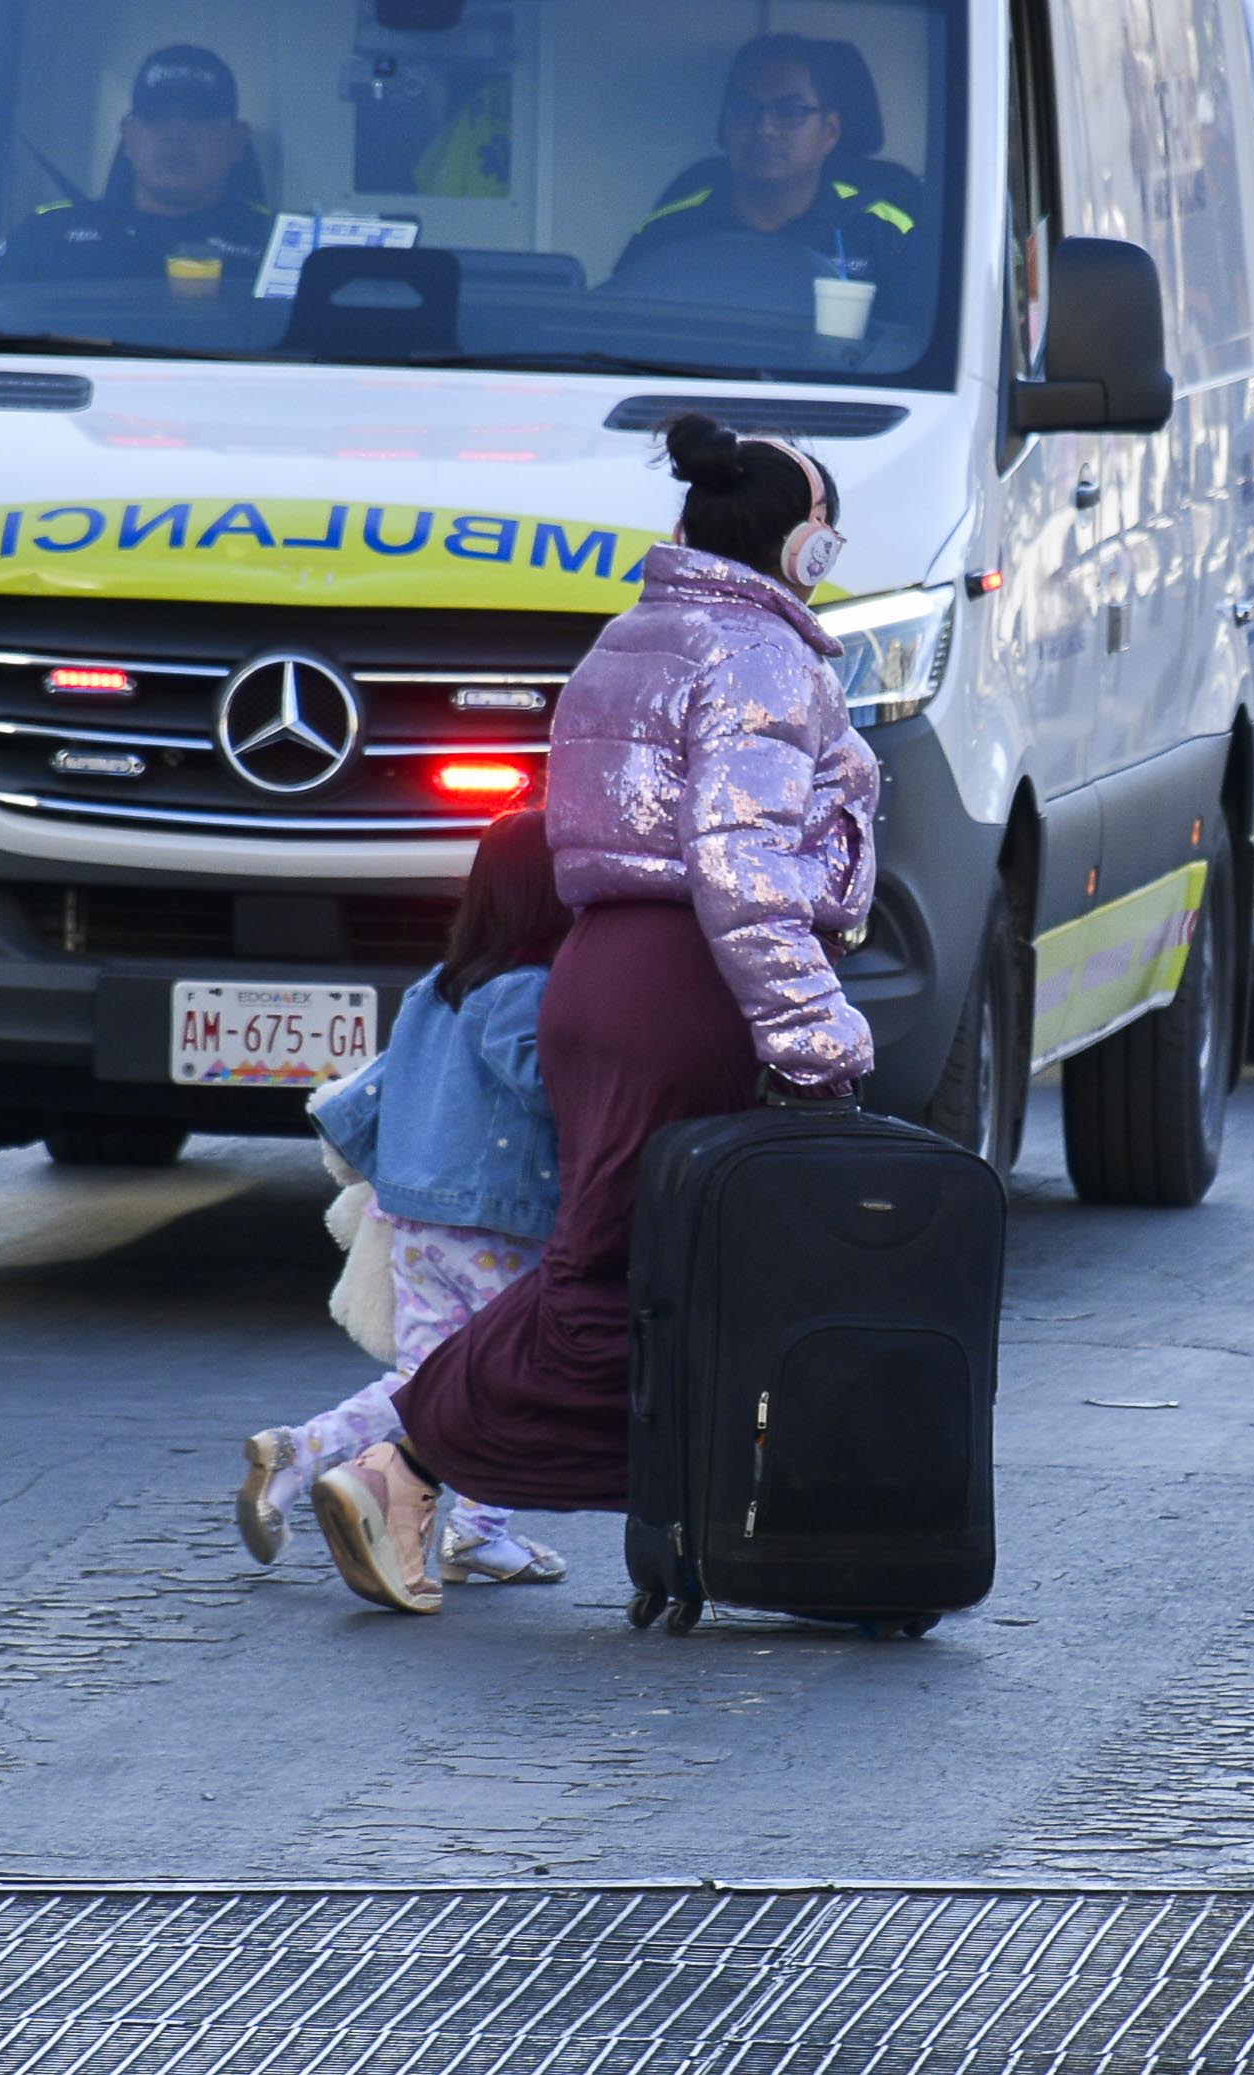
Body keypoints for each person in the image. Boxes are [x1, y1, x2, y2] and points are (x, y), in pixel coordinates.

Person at [312, 414, 878, 1616]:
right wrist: (816, 1033)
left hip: (601, 969)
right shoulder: (762, 658)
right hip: (689, 984)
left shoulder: (628, 637)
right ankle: (405, 1465)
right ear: (807, 544)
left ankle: (416, 1466)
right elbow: (743, 864)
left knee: (597, 1264)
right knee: (615, 1285)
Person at [236, 811, 573, 1602]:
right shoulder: (524, 991)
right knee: (508, 1380)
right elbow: (547, 1086)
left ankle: (305, 1455)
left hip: (416, 1220)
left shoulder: (436, 986)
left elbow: (381, 1090)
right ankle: (470, 1527)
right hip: (496, 1222)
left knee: (428, 1382)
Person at [614, 37, 924, 302]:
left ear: (829, 131)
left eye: (789, 111)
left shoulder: (884, 232)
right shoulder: (671, 229)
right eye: (745, 108)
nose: (764, 128)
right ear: (725, 123)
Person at [0, 44, 273, 289]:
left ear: (237, 141)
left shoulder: (275, 245)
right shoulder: (46, 235)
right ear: (128, 135)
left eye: (199, 117)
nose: (176, 134)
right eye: (156, 116)